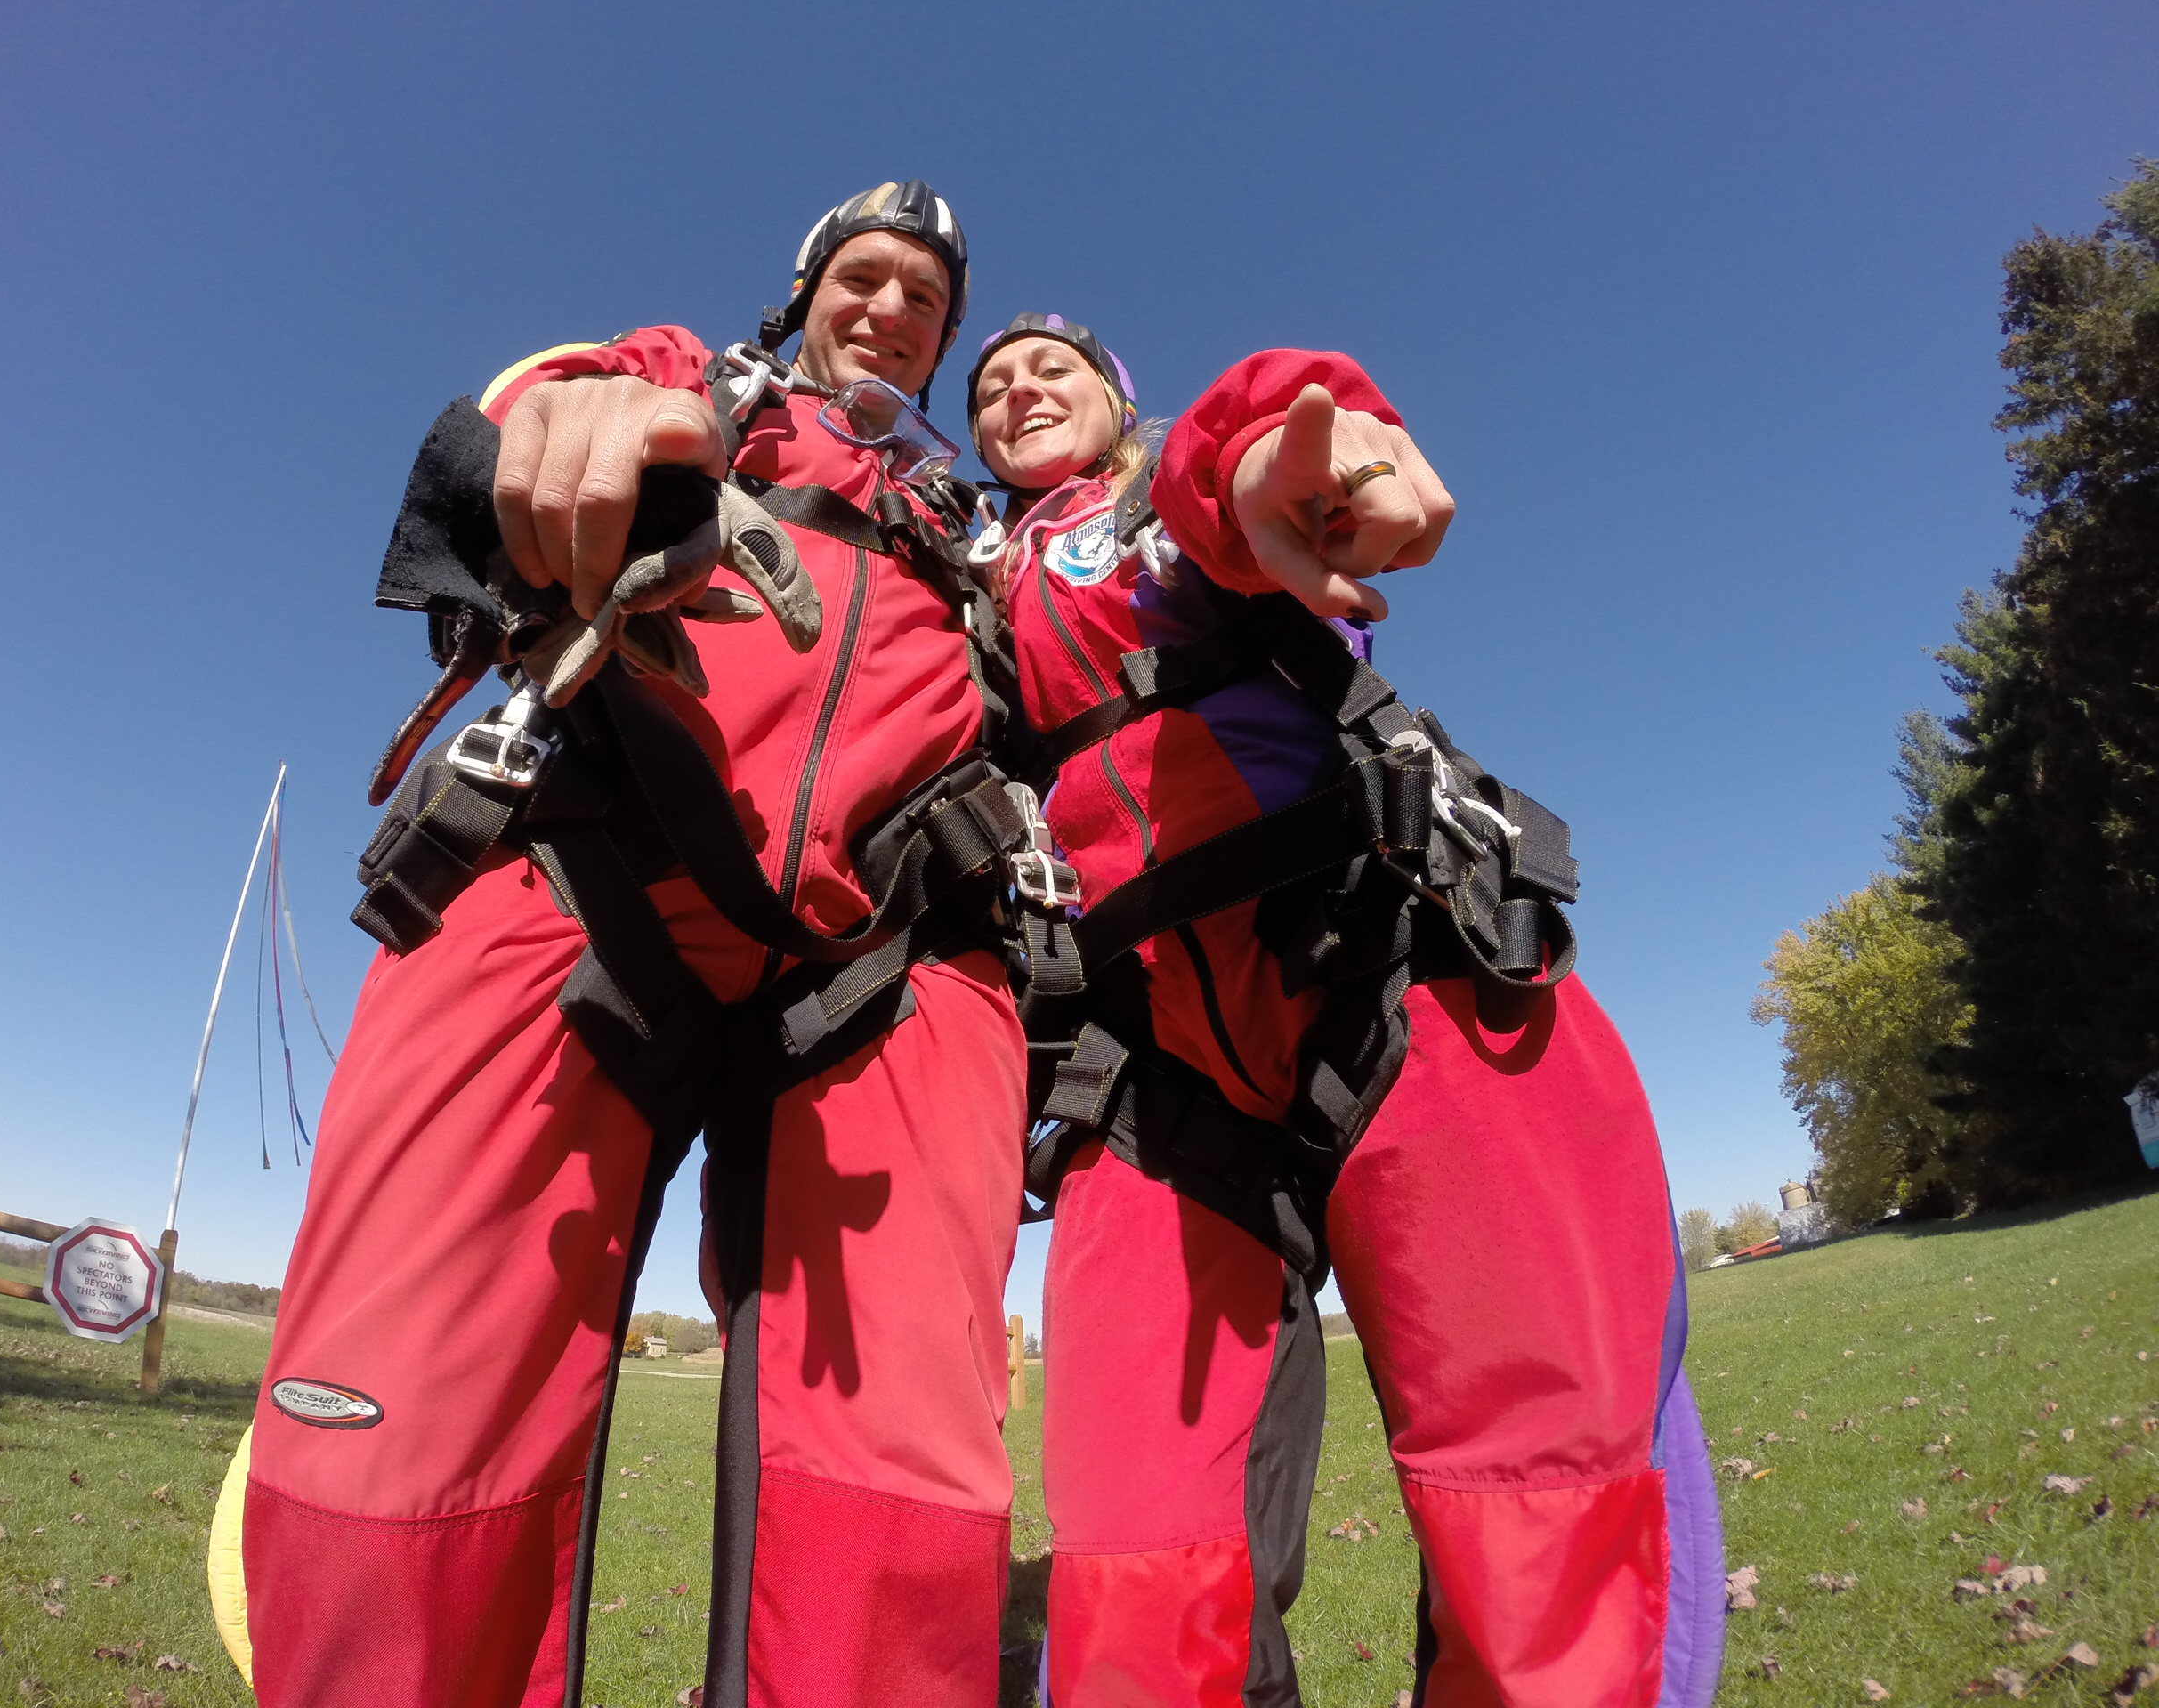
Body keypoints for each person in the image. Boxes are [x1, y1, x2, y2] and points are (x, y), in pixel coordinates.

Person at [230, 186, 1446, 1708]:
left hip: (893, 948)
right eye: (860, 279)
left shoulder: (993, 531)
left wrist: (1261, 462)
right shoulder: (709, 393)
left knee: (888, 1490)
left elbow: (1160, 543)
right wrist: (578, 413)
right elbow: (568, 393)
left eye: (925, 302)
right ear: (801, 295)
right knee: (416, 1423)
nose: (890, 311)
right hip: (591, 863)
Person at [964, 314, 1726, 1707]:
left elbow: (1238, 457)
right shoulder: (960, 579)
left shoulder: (1156, 511)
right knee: (1135, 1558)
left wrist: (1281, 440)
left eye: (1048, 370)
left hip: (1384, 950)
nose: (1017, 393)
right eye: (993, 385)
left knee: (1545, 1497)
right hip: (1146, 1068)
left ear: (1114, 398)